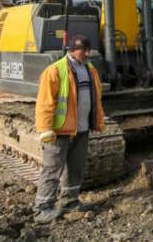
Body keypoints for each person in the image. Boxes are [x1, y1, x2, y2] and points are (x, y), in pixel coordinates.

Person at [33, 34, 106, 223]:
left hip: (81, 129)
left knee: (76, 167)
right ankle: (42, 208)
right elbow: (45, 103)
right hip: (60, 131)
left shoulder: (90, 70)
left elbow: (95, 98)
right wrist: (45, 128)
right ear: (72, 50)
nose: (87, 54)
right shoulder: (55, 71)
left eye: (89, 50)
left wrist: (97, 121)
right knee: (52, 168)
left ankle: (70, 201)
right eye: (84, 50)